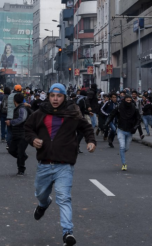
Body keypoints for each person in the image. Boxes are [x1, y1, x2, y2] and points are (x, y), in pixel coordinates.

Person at [24, 83, 95, 246]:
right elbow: (28, 128)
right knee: (40, 194)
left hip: (64, 164)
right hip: (44, 163)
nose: (56, 99)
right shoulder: (40, 113)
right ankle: (43, 204)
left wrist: (91, 141)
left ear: (64, 97)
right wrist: (32, 139)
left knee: (64, 198)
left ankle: (67, 233)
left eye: (59, 96)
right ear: (49, 97)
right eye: (53, 96)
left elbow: (87, 128)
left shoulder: (72, 114)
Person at [110, 95, 140, 171]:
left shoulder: (134, 108)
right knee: (122, 147)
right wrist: (105, 124)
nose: (129, 102)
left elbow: (138, 119)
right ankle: (124, 164)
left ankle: (122, 153)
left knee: (126, 148)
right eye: (127, 100)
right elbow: (112, 115)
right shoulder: (119, 107)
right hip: (121, 130)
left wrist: (135, 127)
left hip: (130, 131)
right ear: (124, 100)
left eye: (130, 100)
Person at [8, 93, 32, 176]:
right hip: (16, 134)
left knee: (20, 152)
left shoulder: (22, 108)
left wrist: (11, 122)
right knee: (12, 150)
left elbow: (22, 119)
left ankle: (21, 169)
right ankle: (23, 157)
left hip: (24, 133)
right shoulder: (19, 108)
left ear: (14, 100)